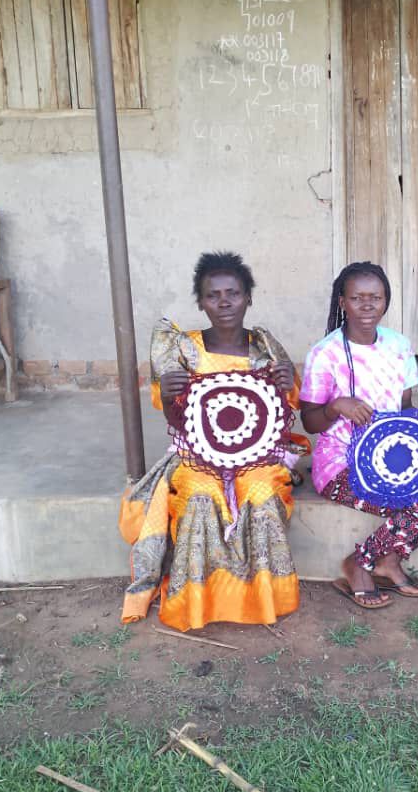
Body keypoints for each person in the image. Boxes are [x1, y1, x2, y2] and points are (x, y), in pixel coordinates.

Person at [119, 251, 308, 632]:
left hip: (259, 455)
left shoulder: (264, 346)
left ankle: (265, 596)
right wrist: (172, 397)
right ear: (201, 302)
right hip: (197, 455)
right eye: (213, 295)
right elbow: (178, 422)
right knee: (201, 496)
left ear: (248, 297)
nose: (224, 303)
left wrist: (287, 383)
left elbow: (282, 412)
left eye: (233, 293)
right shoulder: (183, 348)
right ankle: (196, 601)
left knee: (259, 493)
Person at [299, 261, 418, 610]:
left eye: (376, 298)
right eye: (357, 298)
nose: (367, 306)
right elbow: (309, 422)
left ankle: (386, 560)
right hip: (341, 465)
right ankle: (361, 563)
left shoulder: (399, 345)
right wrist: (337, 406)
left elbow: (403, 410)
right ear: (342, 302)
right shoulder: (325, 354)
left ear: (386, 301)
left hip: (395, 459)